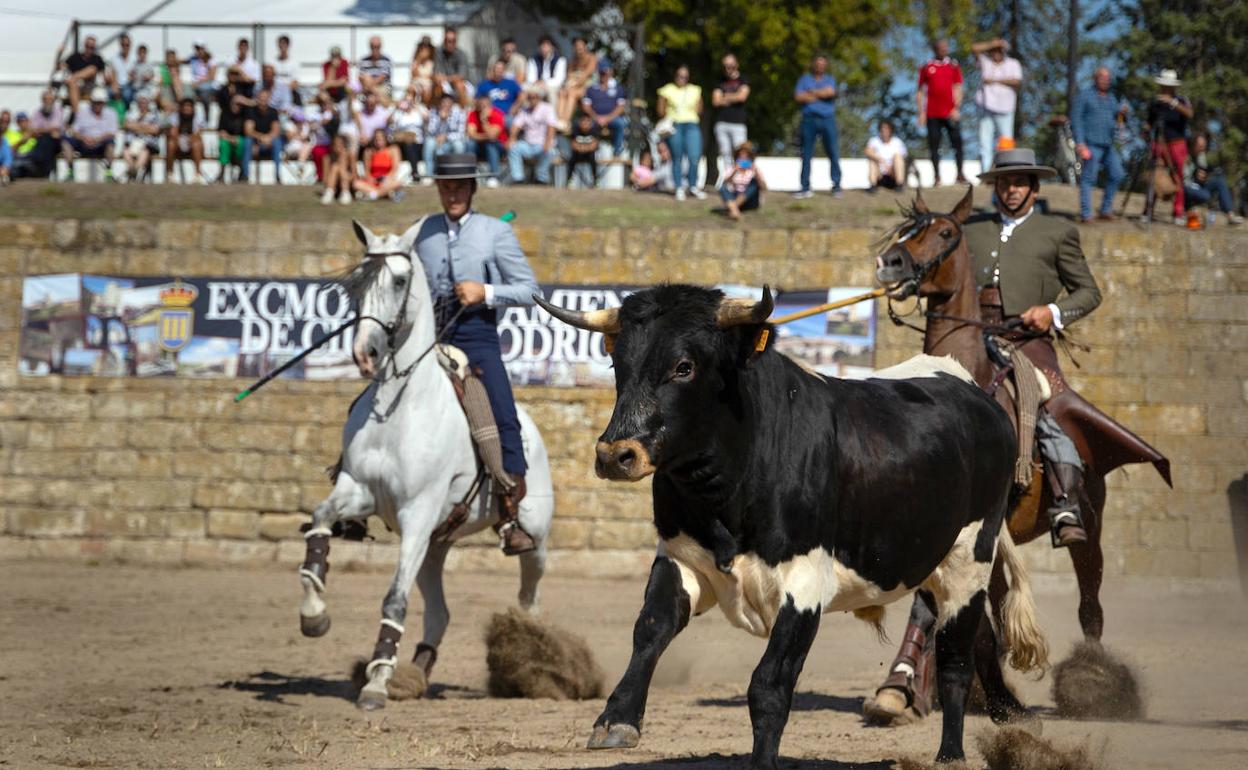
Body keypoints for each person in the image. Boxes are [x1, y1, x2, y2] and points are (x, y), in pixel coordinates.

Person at [410, 152, 542, 554]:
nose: (452, 194)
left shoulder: (495, 232)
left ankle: (509, 511)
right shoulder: (421, 232)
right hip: (429, 334)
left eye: (459, 187)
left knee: (502, 411)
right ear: (438, 189)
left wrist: (485, 291)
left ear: (472, 189)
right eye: (445, 187)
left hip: (476, 334)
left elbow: (530, 291)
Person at [970, 147, 1102, 546]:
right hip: (973, 334)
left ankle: (1065, 502)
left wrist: (1051, 311)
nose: (1010, 190)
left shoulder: (1057, 232)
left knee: (1048, 398)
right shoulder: (970, 228)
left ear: (1034, 188)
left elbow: (1089, 292)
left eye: (1019, 183)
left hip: (1027, 339)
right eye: (1004, 183)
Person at [1071, 66, 1129, 223]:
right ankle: (1086, 214)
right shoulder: (1084, 95)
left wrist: (1122, 113)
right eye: (1102, 77)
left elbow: (1118, 118)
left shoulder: (1111, 98)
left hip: (1108, 145)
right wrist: (1080, 143)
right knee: (1089, 178)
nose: (1105, 80)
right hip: (1090, 144)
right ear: (1095, 78)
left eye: (1108, 78)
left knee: (1117, 174)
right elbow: (1076, 120)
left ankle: (1105, 209)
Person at [1143, 69, 1193, 226]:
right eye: (1163, 86)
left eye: (1168, 86)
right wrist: (1145, 131)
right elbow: (1149, 122)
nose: (1165, 89)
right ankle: (1148, 210)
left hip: (1177, 143)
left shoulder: (1182, 100)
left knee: (1178, 176)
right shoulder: (1156, 103)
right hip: (1158, 142)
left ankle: (1178, 212)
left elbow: (1189, 114)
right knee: (1155, 175)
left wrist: (1172, 102)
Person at [917, 39, 966, 186]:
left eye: (946, 47)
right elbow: (920, 91)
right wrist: (921, 112)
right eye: (941, 47)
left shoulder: (953, 65)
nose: (944, 50)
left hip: (950, 113)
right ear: (935, 49)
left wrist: (956, 108)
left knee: (957, 144)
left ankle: (960, 174)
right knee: (934, 146)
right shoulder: (927, 66)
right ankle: (937, 177)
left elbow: (958, 87)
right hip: (932, 114)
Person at [970, 38, 1022, 174]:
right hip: (985, 107)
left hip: (1006, 108)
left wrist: (994, 80)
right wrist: (992, 43)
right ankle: (986, 172)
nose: (996, 53)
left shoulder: (1013, 63)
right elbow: (974, 48)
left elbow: (1017, 81)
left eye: (999, 50)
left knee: (1006, 141)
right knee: (984, 142)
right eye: (993, 51)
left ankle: (1006, 171)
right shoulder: (985, 62)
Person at [793, 54, 841, 199]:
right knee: (806, 153)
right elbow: (798, 97)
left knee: (833, 152)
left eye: (823, 64)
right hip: (809, 119)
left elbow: (831, 92)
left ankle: (836, 185)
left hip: (828, 119)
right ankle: (805, 187)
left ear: (825, 66)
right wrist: (821, 94)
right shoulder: (804, 79)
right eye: (818, 63)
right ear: (813, 64)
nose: (820, 66)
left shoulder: (830, 79)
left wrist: (811, 93)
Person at [657, 64, 704, 201]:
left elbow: (699, 108)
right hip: (675, 125)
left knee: (694, 157)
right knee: (676, 157)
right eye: (679, 76)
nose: (682, 78)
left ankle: (693, 186)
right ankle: (679, 187)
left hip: (692, 125)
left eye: (685, 76)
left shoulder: (695, 90)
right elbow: (660, 110)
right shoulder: (667, 89)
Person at [1184, 132, 1244, 226]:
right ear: (1192, 145)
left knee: (1219, 181)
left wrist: (1203, 177)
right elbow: (1184, 180)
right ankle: (1194, 211)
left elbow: (1202, 173)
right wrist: (1195, 175)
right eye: (1200, 146)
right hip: (1186, 188)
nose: (1202, 149)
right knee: (1205, 195)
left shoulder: (1201, 156)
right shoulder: (1185, 156)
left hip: (1198, 187)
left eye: (1204, 146)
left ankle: (1230, 215)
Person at [61, 87, 118, 181]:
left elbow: (112, 133)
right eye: (96, 102)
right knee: (66, 141)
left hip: (101, 144)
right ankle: (70, 171)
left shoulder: (111, 113)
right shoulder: (83, 112)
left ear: (104, 103)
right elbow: (74, 130)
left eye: (100, 102)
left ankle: (109, 172)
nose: (98, 105)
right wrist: (83, 138)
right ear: (91, 101)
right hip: (83, 143)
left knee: (110, 143)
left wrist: (97, 139)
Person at [508, 85, 557, 185]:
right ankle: (518, 178)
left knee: (548, 151)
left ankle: (541, 179)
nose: (532, 99)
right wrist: (512, 138)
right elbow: (515, 126)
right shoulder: (524, 111)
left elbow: (551, 127)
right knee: (513, 148)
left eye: (534, 97)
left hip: (543, 144)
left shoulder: (547, 108)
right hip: (528, 145)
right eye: (529, 97)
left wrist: (547, 143)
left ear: (539, 97)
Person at [712, 53, 750, 174]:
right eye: (726, 66)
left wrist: (725, 96)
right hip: (722, 123)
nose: (728, 68)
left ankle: (743, 178)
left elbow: (742, 97)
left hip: (738, 123)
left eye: (731, 65)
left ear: (737, 65)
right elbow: (716, 101)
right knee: (725, 154)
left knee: (742, 153)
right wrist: (734, 96)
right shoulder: (719, 81)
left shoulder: (744, 79)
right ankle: (729, 179)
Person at [582, 60, 627, 157]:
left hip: (612, 118)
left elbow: (621, 107)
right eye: (601, 72)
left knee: (621, 123)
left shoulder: (618, 88)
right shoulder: (591, 88)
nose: (603, 75)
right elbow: (586, 107)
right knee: (584, 125)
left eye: (605, 72)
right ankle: (587, 152)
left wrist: (607, 118)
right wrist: (596, 117)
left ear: (611, 72)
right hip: (594, 118)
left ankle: (617, 151)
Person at [423, 91, 470, 186]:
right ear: (440, 103)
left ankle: (458, 175)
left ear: (452, 103)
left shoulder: (459, 113)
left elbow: (461, 134)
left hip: (452, 141)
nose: (446, 105)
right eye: (444, 102)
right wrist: (441, 120)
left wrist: (446, 136)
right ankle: (429, 175)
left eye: (448, 102)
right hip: (436, 139)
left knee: (459, 145)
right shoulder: (433, 112)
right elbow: (431, 131)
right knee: (429, 144)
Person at [245, 88, 285, 184]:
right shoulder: (251, 111)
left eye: (265, 97)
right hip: (255, 143)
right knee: (247, 142)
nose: (263, 100)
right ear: (257, 98)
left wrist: (268, 138)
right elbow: (248, 131)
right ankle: (245, 175)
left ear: (269, 99)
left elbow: (276, 130)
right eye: (261, 97)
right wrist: (261, 137)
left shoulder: (273, 111)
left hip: (269, 144)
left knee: (277, 142)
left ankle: (277, 176)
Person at [352, 128, 403, 201]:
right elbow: (367, 171)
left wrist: (387, 178)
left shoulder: (393, 149)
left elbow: (395, 168)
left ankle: (375, 194)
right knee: (356, 184)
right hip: (373, 180)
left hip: (387, 179)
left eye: (380, 138)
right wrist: (370, 178)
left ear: (385, 139)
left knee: (397, 183)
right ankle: (383, 193)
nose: (378, 141)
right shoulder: (369, 151)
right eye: (376, 139)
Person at [719, 142, 767, 221]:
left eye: (746, 155)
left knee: (753, 183)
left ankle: (732, 208)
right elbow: (725, 183)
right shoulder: (732, 168)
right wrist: (734, 172)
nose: (743, 157)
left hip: (750, 200)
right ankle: (735, 210)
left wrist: (756, 174)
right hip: (735, 195)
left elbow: (764, 188)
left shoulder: (755, 170)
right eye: (740, 155)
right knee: (723, 188)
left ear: (750, 157)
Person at [466, 93, 507, 185]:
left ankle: (493, 176)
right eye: (480, 105)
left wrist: (484, 121)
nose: (482, 108)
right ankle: (469, 174)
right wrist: (486, 137)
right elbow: (471, 134)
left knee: (490, 145)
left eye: (485, 106)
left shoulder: (498, 114)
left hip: (498, 146)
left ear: (490, 105)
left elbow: (493, 136)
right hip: (480, 145)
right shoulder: (473, 114)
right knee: (470, 144)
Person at [557, 37, 598, 129]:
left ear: (585, 46)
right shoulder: (573, 60)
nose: (578, 47)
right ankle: (559, 120)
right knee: (562, 92)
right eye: (576, 45)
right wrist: (569, 83)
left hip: (589, 87)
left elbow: (586, 74)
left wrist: (573, 83)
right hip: (575, 86)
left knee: (572, 93)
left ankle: (565, 121)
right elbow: (569, 75)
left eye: (580, 45)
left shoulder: (592, 58)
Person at [120, 93, 162, 181]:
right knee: (125, 151)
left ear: (148, 103)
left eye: (144, 102)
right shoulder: (131, 113)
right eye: (141, 102)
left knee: (144, 151)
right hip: (132, 143)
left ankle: (133, 171)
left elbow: (155, 130)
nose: (142, 104)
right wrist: (145, 127)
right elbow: (126, 125)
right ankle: (133, 170)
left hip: (148, 144)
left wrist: (136, 127)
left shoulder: (155, 114)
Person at [61, 35, 107, 112]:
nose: (89, 49)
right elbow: (62, 67)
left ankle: (73, 78)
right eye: (87, 46)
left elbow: (103, 75)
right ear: (84, 45)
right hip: (75, 86)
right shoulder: (75, 57)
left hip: (89, 86)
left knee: (92, 69)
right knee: (73, 84)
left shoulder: (97, 59)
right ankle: (77, 113)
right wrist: (60, 53)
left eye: (91, 47)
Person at [165, 97, 206, 184]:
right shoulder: (175, 116)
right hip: (178, 142)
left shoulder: (198, 117)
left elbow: (198, 134)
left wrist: (190, 140)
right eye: (185, 106)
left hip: (192, 143)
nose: (187, 108)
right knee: (171, 143)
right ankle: (170, 174)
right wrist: (180, 141)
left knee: (197, 144)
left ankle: (197, 175)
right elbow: (173, 132)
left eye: (189, 106)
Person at [216, 88, 251, 183]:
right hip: (227, 139)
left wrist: (246, 101)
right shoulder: (225, 114)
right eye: (235, 103)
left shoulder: (245, 114)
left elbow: (247, 132)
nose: (237, 106)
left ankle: (241, 171)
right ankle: (222, 173)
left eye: (240, 104)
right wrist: (231, 139)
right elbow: (221, 132)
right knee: (223, 144)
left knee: (242, 143)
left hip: (240, 140)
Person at [391, 97, 427, 182]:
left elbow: (426, 119)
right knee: (409, 145)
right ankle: (415, 173)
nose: (408, 103)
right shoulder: (399, 113)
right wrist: (396, 108)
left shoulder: (419, 110)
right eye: (406, 101)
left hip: (419, 141)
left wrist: (417, 107)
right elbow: (390, 122)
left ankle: (415, 172)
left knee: (411, 146)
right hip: (403, 141)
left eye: (410, 101)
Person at [865, 119, 907, 190]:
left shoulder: (897, 142)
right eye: (882, 129)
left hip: (893, 173)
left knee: (898, 157)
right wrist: (879, 159)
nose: (884, 131)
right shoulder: (874, 140)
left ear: (891, 130)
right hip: (879, 174)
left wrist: (890, 167)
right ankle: (873, 185)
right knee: (872, 160)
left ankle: (899, 184)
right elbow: (867, 151)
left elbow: (903, 157)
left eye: (887, 129)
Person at [433, 26, 470, 105]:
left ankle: (463, 109)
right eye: (448, 41)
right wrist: (444, 79)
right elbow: (437, 74)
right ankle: (439, 110)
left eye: (453, 41)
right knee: (437, 86)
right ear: (444, 40)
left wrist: (447, 78)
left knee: (460, 85)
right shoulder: (438, 52)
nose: (450, 44)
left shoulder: (461, 54)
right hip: (444, 83)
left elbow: (461, 76)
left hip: (457, 83)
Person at [526, 36, 566, 105]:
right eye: (542, 46)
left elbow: (559, 79)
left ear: (552, 47)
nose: (544, 48)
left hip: (552, 86)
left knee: (551, 92)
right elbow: (530, 77)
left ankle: (552, 112)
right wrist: (537, 83)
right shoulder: (533, 60)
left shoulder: (560, 60)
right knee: (523, 90)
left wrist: (545, 83)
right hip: (536, 85)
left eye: (547, 46)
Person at [481, 60, 523, 126]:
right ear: (493, 70)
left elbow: (522, 95)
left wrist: (515, 107)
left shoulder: (511, 83)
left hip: (507, 115)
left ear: (504, 70)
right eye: (497, 68)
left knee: (512, 122)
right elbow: (477, 99)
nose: (498, 71)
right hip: (491, 115)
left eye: (500, 69)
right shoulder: (485, 84)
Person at [567, 113, 599, 188]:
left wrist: (583, 148)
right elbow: (573, 145)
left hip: (589, 155)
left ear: (590, 123)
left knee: (593, 158)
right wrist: (583, 148)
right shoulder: (575, 130)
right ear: (580, 122)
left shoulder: (594, 131)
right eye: (583, 121)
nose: (585, 123)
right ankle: (569, 180)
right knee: (572, 159)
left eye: (587, 121)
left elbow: (595, 145)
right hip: (577, 155)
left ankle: (595, 180)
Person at [321, 133, 354, 204]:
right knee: (335, 167)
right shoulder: (327, 157)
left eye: (340, 144)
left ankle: (344, 192)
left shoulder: (350, 155)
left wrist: (343, 159)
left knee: (338, 167)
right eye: (335, 144)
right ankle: (330, 192)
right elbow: (325, 178)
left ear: (344, 145)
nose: (337, 147)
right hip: (332, 183)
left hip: (347, 182)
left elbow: (354, 174)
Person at [188, 42, 218, 114]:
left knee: (205, 95)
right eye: (197, 49)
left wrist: (198, 83)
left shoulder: (211, 60)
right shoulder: (193, 59)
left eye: (201, 48)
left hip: (208, 85)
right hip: (196, 86)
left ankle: (207, 116)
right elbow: (183, 61)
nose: (199, 51)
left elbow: (212, 76)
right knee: (187, 96)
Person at [272, 35, 301, 107]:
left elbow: (295, 82)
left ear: (288, 45)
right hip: (275, 93)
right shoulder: (273, 62)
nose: (282, 46)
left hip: (289, 92)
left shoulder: (294, 62)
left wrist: (284, 90)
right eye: (280, 43)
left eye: (284, 43)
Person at [108, 33, 135, 106]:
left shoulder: (134, 59)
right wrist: (114, 85)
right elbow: (112, 73)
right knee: (108, 93)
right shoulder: (114, 58)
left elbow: (135, 75)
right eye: (123, 45)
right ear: (120, 45)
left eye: (127, 45)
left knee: (127, 95)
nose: (125, 47)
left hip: (129, 85)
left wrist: (133, 78)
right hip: (116, 85)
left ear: (130, 45)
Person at [409, 38, 436, 106]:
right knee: (411, 89)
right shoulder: (415, 61)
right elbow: (413, 74)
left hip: (427, 84)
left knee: (426, 91)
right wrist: (419, 59)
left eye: (427, 48)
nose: (424, 51)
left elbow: (432, 76)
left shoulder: (432, 62)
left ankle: (424, 107)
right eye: (422, 48)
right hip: (416, 83)